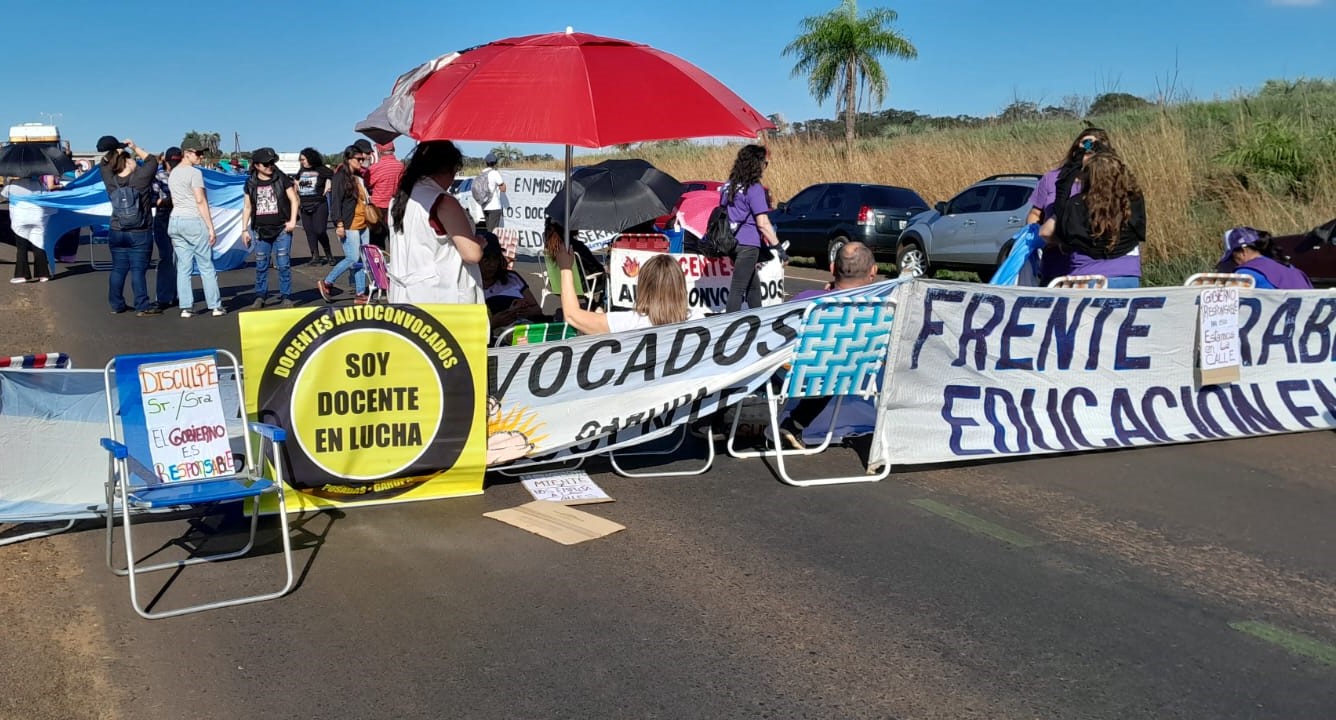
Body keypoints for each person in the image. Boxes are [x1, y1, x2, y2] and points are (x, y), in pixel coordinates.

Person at [780, 241, 881, 448]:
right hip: (847, 375)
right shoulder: (880, 309)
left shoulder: (808, 302)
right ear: (874, 271)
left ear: (832, 268)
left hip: (792, 379)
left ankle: (711, 423)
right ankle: (794, 425)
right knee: (830, 369)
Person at [1028, 128, 1136, 284]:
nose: (1089, 150)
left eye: (1096, 147)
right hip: (1054, 263)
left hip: (1089, 264)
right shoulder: (1052, 178)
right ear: (1075, 148)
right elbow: (1035, 216)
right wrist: (1044, 238)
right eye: (1085, 144)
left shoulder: (1110, 183)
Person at [385, 140, 484, 304]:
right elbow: (472, 254)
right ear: (448, 169)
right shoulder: (443, 201)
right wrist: (479, 243)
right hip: (442, 296)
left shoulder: (399, 198)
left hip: (405, 294)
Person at [1042, 151, 1145, 288]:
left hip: (1087, 277)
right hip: (1128, 274)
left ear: (1088, 177)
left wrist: (1062, 242)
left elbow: (1045, 232)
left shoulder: (1075, 205)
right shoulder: (1132, 202)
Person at [555, 246, 698, 335]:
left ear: (643, 286)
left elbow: (572, 316)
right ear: (681, 287)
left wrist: (565, 268)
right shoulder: (699, 321)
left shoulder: (629, 322)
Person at [98, 135, 160, 315]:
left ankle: (116, 305)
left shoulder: (111, 180)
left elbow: (103, 163)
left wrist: (115, 149)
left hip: (117, 229)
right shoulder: (140, 179)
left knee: (118, 269)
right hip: (140, 230)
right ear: (126, 162)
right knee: (138, 271)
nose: (135, 162)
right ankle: (142, 305)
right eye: (132, 160)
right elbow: (152, 161)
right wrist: (134, 146)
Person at [721, 144, 781, 312]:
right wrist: (777, 246)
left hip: (732, 242)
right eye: (765, 163)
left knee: (752, 286)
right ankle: (728, 325)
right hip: (748, 243)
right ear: (757, 164)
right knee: (738, 288)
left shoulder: (729, 186)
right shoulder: (754, 188)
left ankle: (758, 318)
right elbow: (762, 222)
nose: (765, 167)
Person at [169, 138, 225, 317]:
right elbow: (200, 200)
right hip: (192, 219)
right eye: (198, 153)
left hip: (175, 220)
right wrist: (210, 227)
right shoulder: (194, 173)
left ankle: (186, 307)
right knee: (205, 265)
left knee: (183, 266)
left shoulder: (173, 173)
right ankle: (215, 306)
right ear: (187, 153)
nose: (201, 156)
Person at [242, 147, 299, 308]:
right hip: (260, 230)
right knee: (261, 265)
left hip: (282, 228)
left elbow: (293, 200)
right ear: (257, 166)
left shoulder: (281, 178)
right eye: (266, 164)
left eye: (272, 163)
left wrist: (293, 220)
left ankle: (286, 296)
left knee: (283, 264)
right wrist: (244, 230)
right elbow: (247, 207)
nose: (270, 166)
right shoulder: (251, 183)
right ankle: (260, 296)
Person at [319, 146, 372, 305]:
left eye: (363, 159)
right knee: (352, 257)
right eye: (358, 159)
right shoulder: (340, 177)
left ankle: (360, 293)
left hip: (363, 223)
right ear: (348, 159)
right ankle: (327, 282)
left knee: (362, 259)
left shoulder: (357, 177)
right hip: (349, 224)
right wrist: (339, 224)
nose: (362, 162)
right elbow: (335, 203)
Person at [479, 230, 542, 328]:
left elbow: (537, 308)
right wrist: (493, 323)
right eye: (486, 260)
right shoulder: (470, 286)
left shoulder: (512, 277)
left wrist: (521, 312)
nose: (492, 264)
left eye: (495, 258)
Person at [1217, 226, 1313, 289]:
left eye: (1232, 257)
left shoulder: (1244, 275)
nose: (1234, 263)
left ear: (1243, 252)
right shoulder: (1291, 268)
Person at [3, 172, 53, 284]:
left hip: (20, 218)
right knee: (38, 245)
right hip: (37, 217)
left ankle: (22, 274)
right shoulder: (39, 183)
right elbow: (46, 195)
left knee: (21, 247)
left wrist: (8, 182)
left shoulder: (13, 184)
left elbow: (5, 195)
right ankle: (43, 274)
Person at [149, 146, 181, 311]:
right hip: (163, 217)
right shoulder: (158, 175)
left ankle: (176, 294)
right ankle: (162, 297)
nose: (174, 165)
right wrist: (169, 200)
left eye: (177, 161)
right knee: (165, 257)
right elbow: (153, 200)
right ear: (166, 161)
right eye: (172, 162)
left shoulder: (184, 173)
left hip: (181, 217)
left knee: (180, 258)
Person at [295, 148, 335, 265]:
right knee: (309, 231)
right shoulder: (301, 171)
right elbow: (296, 180)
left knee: (320, 230)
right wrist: (296, 184)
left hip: (319, 204)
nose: (302, 162)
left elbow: (333, 175)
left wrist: (329, 182)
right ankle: (315, 256)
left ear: (311, 158)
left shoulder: (322, 170)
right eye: (300, 160)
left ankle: (329, 254)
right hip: (304, 205)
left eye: (303, 159)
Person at [366, 141, 403, 250]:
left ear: (379, 151)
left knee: (377, 240)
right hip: (395, 205)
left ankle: (378, 265)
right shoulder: (400, 166)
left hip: (378, 207)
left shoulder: (375, 168)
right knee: (395, 238)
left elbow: (367, 184)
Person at [479, 151, 507, 231]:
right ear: (495, 162)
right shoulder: (494, 173)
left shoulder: (481, 173)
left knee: (488, 229)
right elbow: (503, 189)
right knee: (493, 232)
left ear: (486, 162)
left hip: (485, 206)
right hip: (494, 206)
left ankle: (488, 243)